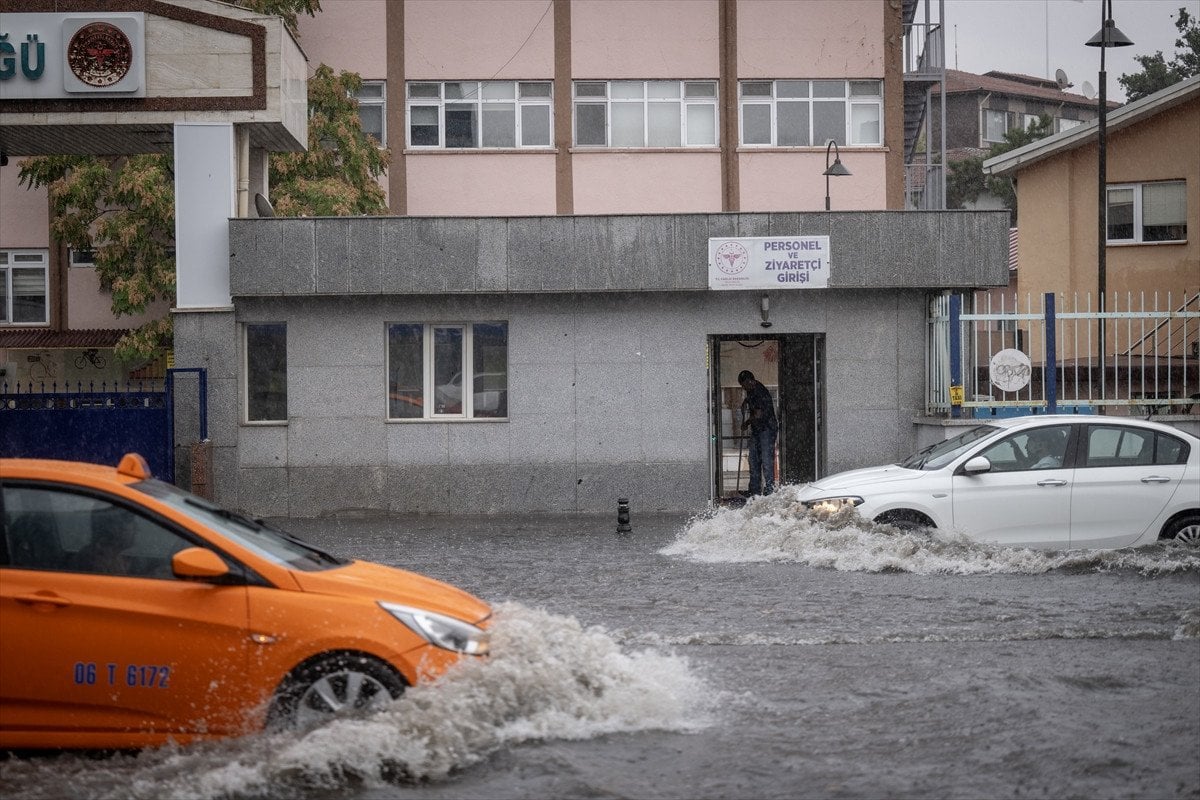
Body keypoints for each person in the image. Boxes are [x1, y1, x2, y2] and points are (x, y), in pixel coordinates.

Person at [738, 370, 778, 495]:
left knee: (766, 460)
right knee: (754, 460)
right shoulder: (751, 390)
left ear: (751, 381)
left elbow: (758, 414)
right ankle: (754, 490)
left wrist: (746, 423)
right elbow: (749, 399)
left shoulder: (760, 392)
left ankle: (769, 490)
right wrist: (745, 403)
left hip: (766, 429)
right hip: (757, 430)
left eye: (744, 385)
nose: (744, 388)